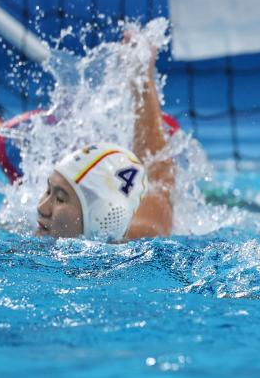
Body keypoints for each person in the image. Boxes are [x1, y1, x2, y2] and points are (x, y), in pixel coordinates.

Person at [35, 36, 175, 241]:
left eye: (60, 199)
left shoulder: (145, 240)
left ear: (99, 217)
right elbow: (159, 183)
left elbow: (161, 187)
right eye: (48, 191)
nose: (41, 207)